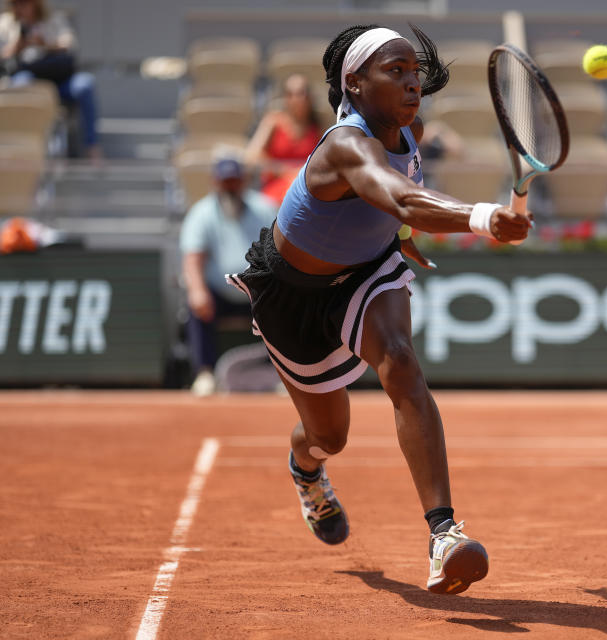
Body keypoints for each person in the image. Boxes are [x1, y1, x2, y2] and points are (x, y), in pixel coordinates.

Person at [226, 24, 531, 594]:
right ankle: (306, 469)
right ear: (354, 83)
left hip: (368, 272)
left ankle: (444, 536)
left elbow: (399, 198)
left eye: (414, 71)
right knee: (328, 436)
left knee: (400, 361)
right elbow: (393, 192)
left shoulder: (406, 129)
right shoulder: (345, 143)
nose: (412, 82)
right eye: (394, 72)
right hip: (291, 293)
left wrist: (403, 230)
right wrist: (483, 217)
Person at [180, 150, 277, 396]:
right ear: (215, 182)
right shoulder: (201, 213)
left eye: (234, 180)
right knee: (196, 304)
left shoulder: (265, 208)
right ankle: (205, 373)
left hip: (258, 292)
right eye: (226, 180)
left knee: (287, 305)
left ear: (243, 180)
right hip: (220, 294)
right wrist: (197, 291)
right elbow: (193, 259)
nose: (230, 186)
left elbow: (281, 252)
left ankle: (283, 374)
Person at [0, 0, 101, 159]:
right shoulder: (6, 23)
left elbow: (69, 44)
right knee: (21, 83)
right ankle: (25, 150)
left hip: (60, 79)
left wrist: (45, 44)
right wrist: (18, 44)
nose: (20, 7)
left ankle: (92, 146)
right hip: (32, 81)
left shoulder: (53, 19)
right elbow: (4, 56)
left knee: (85, 85)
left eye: (25, 3)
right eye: (16, 3)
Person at [245, 73, 323, 206]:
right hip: (276, 190)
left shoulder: (317, 127)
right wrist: (285, 171)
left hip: (307, 189)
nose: (298, 98)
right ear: (285, 98)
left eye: (302, 93)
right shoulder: (273, 122)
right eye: (292, 94)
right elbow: (251, 156)